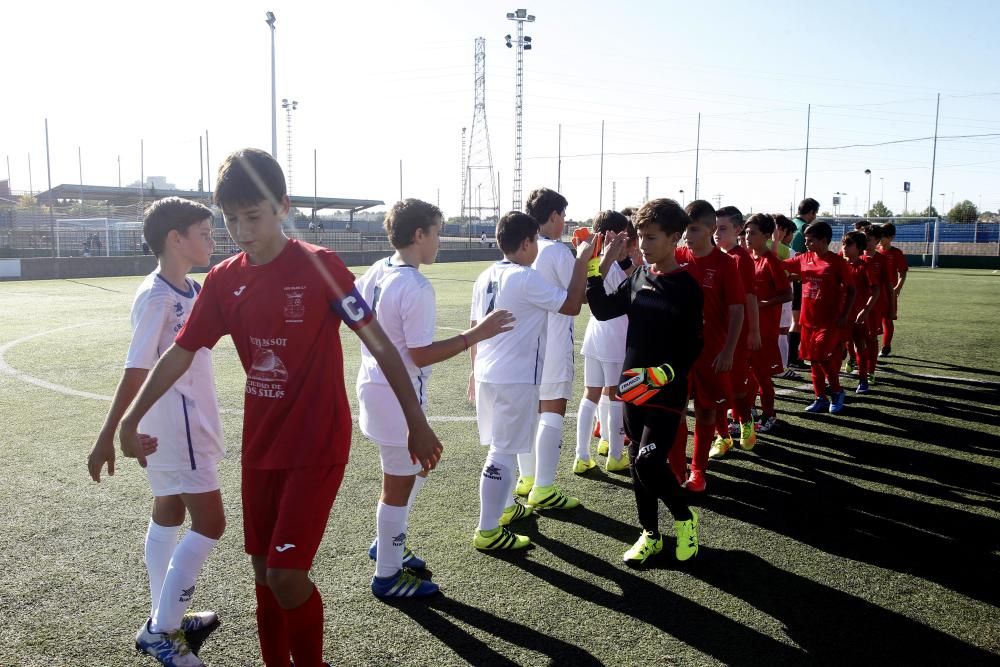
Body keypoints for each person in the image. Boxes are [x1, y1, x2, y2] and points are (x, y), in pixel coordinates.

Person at [118, 148, 442, 667]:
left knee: (287, 576)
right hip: (261, 447)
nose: (242, 231)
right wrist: (130, 419)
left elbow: (380, 343)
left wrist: (417, 423)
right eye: (230, 219)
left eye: (254, 217)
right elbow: (180, 352)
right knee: (262, 574)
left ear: (282, 207)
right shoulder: (224, 279)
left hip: (317, 443)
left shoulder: (320, 265)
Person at [87, 197, 223, 667]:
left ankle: (166, 614)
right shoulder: (158, 296)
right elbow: (135, 369)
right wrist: (110, 434)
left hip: (182, 423)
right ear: (175, 238)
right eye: (204, 232)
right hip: (176, 427)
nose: (212, 240)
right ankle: (161, 630)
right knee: (212, 523)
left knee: (168, 508)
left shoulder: (190, 287)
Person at [356, 199, 513, 598]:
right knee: (397, 484)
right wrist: (477, 333)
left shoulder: (379, 269)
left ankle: (388, 542)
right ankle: (387, 575)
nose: (439, 241)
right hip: (396, 395)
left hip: (375, 388)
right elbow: (420, 354)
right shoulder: (414, 285)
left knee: (421, 464)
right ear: (419, 235)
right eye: (437, 232)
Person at [585, 199, 702, 565]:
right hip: (632, 384)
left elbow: (693, 344)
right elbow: (603, 309)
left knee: (650, 462)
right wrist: (595, 265)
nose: (644, 244)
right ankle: (650, 533)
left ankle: (685, 519)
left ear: (673, 237)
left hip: (666, 390)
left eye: (651, 237)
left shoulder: (687, 287)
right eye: (640, 236)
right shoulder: (638, 276)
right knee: (637, 462)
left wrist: (664, 374)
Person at [468, 211, 589, 550]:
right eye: (535, 239)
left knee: (500, 446)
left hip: (489, 374)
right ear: (525, 242)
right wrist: (582, 261)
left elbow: (475, 325)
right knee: (502, 452)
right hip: (515, 377)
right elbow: (572, 305)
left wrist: (473, 371)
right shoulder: (525, 277)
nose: (538, 246)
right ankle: (488, 530)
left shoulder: (485, 275)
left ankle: (505, 508)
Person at [517, 188, 587, 510]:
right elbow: (580, 296)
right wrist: (588, 259)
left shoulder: (525, 249)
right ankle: (544, 487)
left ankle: (528, 478)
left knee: (531, 412)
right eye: (564, 216)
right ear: (555, 215)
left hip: (524, 344)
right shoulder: (557, 253)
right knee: (552, 410)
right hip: (555, 341)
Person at [674, 200, 744, 493]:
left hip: (711, 352)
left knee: (706, 412)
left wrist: (728, 351)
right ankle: (677, 470)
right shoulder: (676, 256)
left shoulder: (726, 264)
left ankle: (698, 471)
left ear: (711, 229)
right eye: (684, 229)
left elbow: (738, 309)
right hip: (677, 351)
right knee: (675, 411)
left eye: (693, 229)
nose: (687, 236)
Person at [574, 210, 636, 474]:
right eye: (623, 233)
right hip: (615, 336)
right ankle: (615, 454)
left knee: (591, 394)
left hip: (595, 334)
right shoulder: (605, 259)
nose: (627, 238)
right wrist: (615, 256)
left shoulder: (593, 257)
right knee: (615, 395)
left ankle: (582, 454)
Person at [781, 221, 856, 414]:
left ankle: (837, 392)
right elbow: (779, 264)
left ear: (824, 240)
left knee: (821, 357)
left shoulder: (837, 262)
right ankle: (820, 397)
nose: (806, 243)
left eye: (810, 240)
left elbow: (851, 290)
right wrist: (771, 245)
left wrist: (845, 315)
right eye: (805, 240)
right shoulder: (804, 258)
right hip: (808, 320)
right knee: (813, 360)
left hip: (829, 321)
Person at [710, 206, 760, 457]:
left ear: (738, 230)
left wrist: (754, 332)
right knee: (714, 387)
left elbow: (750, 297)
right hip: (712, 335)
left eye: (723, 228)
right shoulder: (710, 255)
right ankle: (722, 436)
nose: (716, 233)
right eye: (714, 228)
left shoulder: (742, 259)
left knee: (738, 389)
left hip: (737, 335)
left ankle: (746, 420)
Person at [743, 214, 792, 433]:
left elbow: (787, 294)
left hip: (764, 330)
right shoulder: (748, 259)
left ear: (766, 236)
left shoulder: (771, 261)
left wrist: (762, 304)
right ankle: (750, 410)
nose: (747, 237)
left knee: (763, 376)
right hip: (748, 329)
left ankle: (770, 415)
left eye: (752, 233)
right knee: (748, 374)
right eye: (745, 232)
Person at [841, 231, 880, 394]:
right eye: (843, 244)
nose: (844, 247)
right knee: (839, 347)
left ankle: (863, 379)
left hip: (858, 316)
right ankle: (832, 380)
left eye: (848, 244)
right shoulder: (840, 264)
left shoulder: (865, 265)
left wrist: (865, 310)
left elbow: (876, 290)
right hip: (841, 315)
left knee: (860, 346)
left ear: (858, 248)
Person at [788, 198, 820, 370]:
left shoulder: (792, 224)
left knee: (791, 320)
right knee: (799, 320)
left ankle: (791, 356)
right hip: (799, 280)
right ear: (812, 212)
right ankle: (794, 357)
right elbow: (803, 258)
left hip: (788, 278)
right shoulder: (804, 229)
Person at [770, 215, 800, 378]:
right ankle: (780, 367)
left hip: (767, 296)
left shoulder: (764, 246)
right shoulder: (786, 250)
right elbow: (793, 273)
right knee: (781, 331)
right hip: (780, 295)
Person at [862, 225, 890, 383]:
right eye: (864, 238)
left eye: (868, 239)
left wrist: (891, 308)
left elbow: (888, 287)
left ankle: (870, 370)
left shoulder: (882, 260)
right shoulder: (853, 256)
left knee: (871, 338)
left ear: (877, 241)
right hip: (856, 305)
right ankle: (855, 360)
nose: (865, 242)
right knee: (854, 339)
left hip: (874, 306)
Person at [877, 222, 908, 357]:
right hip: (874, 292)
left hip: (889, 293)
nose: (880, 239)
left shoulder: (896, 253)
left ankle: (886, 346)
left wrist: (897, 288)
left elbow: (902, 273)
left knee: (887, 319)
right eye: (879, 236)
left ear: (891, 238)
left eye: (883, 236)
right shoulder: (874, 250)